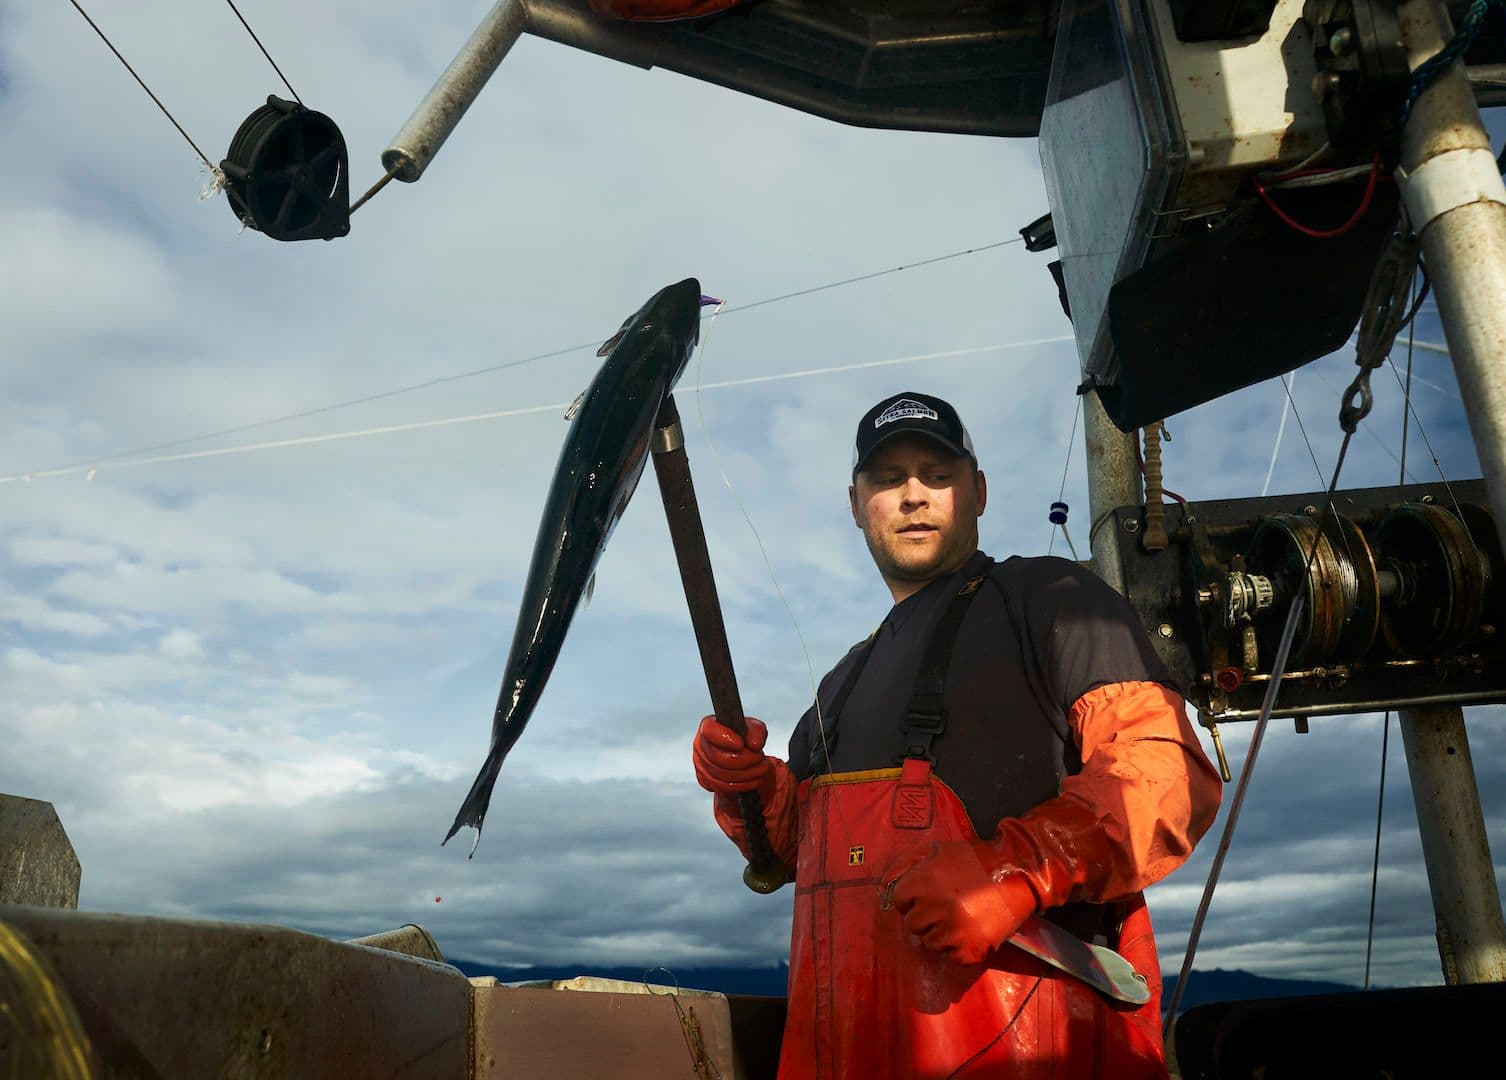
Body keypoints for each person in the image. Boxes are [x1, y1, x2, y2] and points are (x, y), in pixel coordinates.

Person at [692, 391, 1224, 1078]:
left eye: (937, 476)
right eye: (887, 479)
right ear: (856, 506)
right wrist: (752, 790)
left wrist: (1018, 868)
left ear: (977, 493)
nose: (913, 495)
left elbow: (1164, 778)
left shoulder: (1055, 600)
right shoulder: (842, 682)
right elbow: (795, 850)